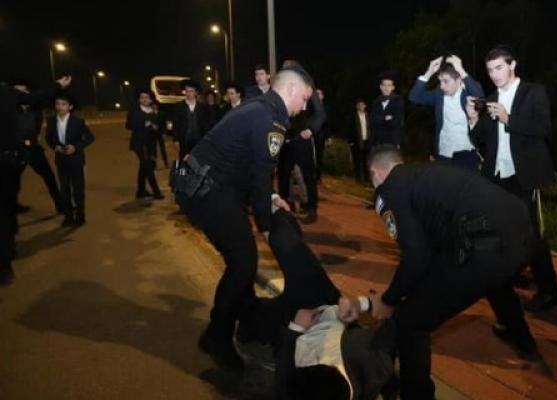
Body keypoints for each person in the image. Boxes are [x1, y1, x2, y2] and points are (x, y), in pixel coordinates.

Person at [367, 145, 535, 399]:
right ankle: (521, 337)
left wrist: (389, 299)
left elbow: (416, 258)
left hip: (484, 244)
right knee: (493, 277)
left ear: (376, 173)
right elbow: (433, 251)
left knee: (412, 321)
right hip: (523, 236)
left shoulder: (389, 189)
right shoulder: (427, 175)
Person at [173, 65, 314, 370]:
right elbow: (261, 177)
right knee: (243, 263)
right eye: (304, 99)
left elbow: (250, 166)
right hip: (206, 191)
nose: (304, 107)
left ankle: (249, 324)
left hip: (210, 185)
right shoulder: (270, 118)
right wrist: (266, 226)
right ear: (291, 89)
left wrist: (271, 199)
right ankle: (216, 337)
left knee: (243, 261)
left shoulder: (259, 108)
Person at [239, 209, 396, 400]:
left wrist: (295, 329)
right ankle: (274, 209)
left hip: (299, 326)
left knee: (251, 304)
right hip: (330, 311)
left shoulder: (308, 386)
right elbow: (396, 325)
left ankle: (271, 207)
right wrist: (363, 305)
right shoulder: (372, 366)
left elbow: (284, 386)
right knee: (288, 244)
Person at [467, 44, 557, 313]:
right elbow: (480, 140)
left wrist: (509, 118)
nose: (494, 74)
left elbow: (544, 128)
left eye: (499, 67)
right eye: (490, 70)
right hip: (497, 176)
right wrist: (473, 119)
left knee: (531, 235)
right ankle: (513, 275)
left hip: (523, 177)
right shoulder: (491, 98)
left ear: (512, 65)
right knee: (502, 231)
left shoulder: (533, 92)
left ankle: (550, 290)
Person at [0, 75, 71, 285]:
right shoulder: (8, 95)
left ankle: (60, 204)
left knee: (45, 178)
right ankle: (6, 255)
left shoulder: (16, 98)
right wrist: (58, 85)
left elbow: (40, 99)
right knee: (7, 207)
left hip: (20, 154)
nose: (21, 93)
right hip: (10, 158)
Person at [408, 55, 484, 170]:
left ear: (458, 80)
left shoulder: (467, 94)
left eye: (446, 81)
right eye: (440, 81)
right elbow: (414, 97)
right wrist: (428, 73)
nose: (442, 86)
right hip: (444, 153)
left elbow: (479, 95)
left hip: (466, 153)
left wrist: (461, 69)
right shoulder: (439, 94)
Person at [276, 60, 326, 223]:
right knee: (283, 175)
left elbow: (320, 114)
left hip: (302, 140)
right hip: (284, 140)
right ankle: (285, 207)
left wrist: (310, 130)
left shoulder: (308, 89)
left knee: (308, 176)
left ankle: (311, 208)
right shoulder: (280, 89)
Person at [45, 92, 95, 227]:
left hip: (76, 160)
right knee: (64, 190)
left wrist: (76, 147)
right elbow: (48, 138)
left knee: (78, 189)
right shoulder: (51, 121)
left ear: (70, 107)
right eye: (57, 104)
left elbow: (90, 138)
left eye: (63, 104)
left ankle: (80, 215)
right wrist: (55, 146)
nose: (59, 107)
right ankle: (68, 217)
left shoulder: (77, 122)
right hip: (61, 160)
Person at [13, 80, 63, 214]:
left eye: (22, 91)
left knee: (49, 176)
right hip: (16, 150)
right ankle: (13, 205)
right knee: (12, 180)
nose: (18, 94)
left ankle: (61, 206)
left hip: (33, 149)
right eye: (16, 91)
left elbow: (47, 98)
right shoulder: (9, 109)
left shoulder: (35, 109)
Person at [126, 89, 164, 199]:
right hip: (139, 142)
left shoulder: (154, 111)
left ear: (151, 99)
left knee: (144, 166)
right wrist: (143, 124)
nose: (144, 99)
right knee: (147, 166)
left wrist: (156, 127)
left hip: (151, 143)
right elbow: (128, 125)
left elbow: (159, 128)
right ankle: (156, 191)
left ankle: (141, 191)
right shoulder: (135, 111)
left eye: (146, 97)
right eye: (142, 97)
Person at [173, 79, 210, 160]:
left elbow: (206, 125)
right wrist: (175, 140)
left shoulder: (202, 107)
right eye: (187, 91)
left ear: (196, 93)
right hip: (184, 140)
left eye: (191, 91)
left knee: (197, 160)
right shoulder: (179, 106)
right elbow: (175, 124)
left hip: (198, 140)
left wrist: (206, 139)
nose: (189, 94)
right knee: (184, 161)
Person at [370, 73, 404, 147]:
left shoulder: (398, 100)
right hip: (377, 141)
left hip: (392, 140)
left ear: (393, 87)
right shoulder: (375, 102)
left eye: (389, 85)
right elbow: (373, 120)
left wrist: (380, 119)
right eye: (384, 85)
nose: (386, 87)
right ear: (380, 87)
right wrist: (385, 118)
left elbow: (396, 121)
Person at [348, 98, 371, 183]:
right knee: (357, 160)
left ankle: (367, 179)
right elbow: (350, 129)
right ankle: (358, 179)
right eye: (359, 105)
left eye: (362, 105)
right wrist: (351, 141)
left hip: (366, 141)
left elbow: (371, 128)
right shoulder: (353, 117)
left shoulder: (368, 116)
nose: (361, 106)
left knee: (366, 160)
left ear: (365, 106)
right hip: (357, 141)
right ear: (357, 106)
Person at [313, 88, 332, 182]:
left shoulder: (326, 109)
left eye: (319, 94)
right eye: (316, 94)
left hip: (321, 135)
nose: (317, 95)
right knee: (310, 156)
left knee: (319, 156)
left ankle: (318, 176)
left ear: (323, 96)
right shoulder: (311, 107)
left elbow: (328, 123)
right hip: (311, 135)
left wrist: (328, 137)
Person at [150, 101, 169, 169]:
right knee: (153, 150)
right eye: (153, 105)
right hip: (152, 134)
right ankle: (153, 165)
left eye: (155, 105)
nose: (154, 106)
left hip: (160, 133)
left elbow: (164, 124)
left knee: (163, 149)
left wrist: (164, 133)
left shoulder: (162, 114)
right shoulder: (149, 114)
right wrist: (151, 126)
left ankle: (166, 163)